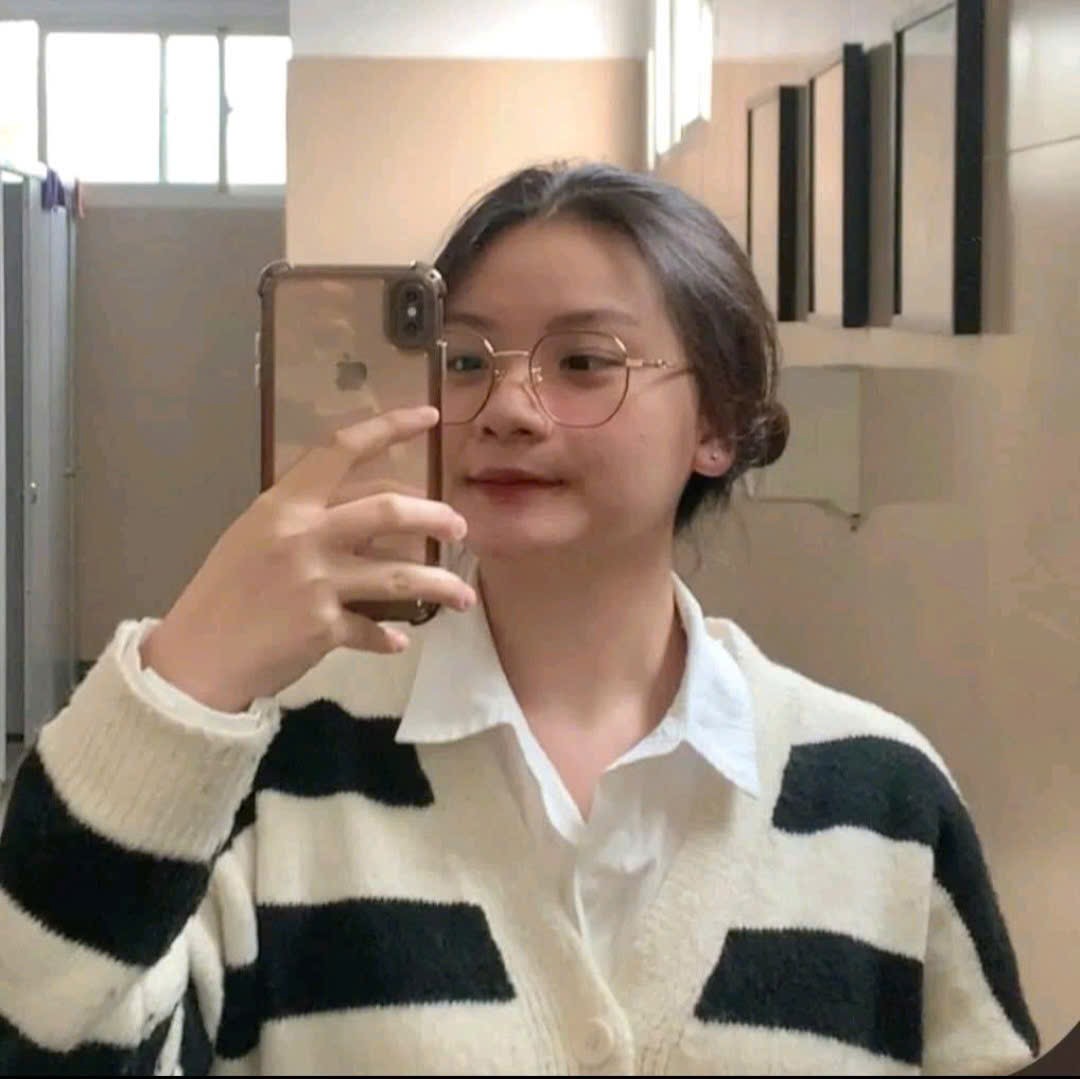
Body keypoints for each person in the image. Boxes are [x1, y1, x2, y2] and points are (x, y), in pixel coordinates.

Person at [0, 162, 1040, 1076]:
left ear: (719, 421)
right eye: (463, 360)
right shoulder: (279, 768)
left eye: (584, 362)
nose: (505, 408)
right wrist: (189, 672)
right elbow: (47, 1044)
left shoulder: (884, 797)